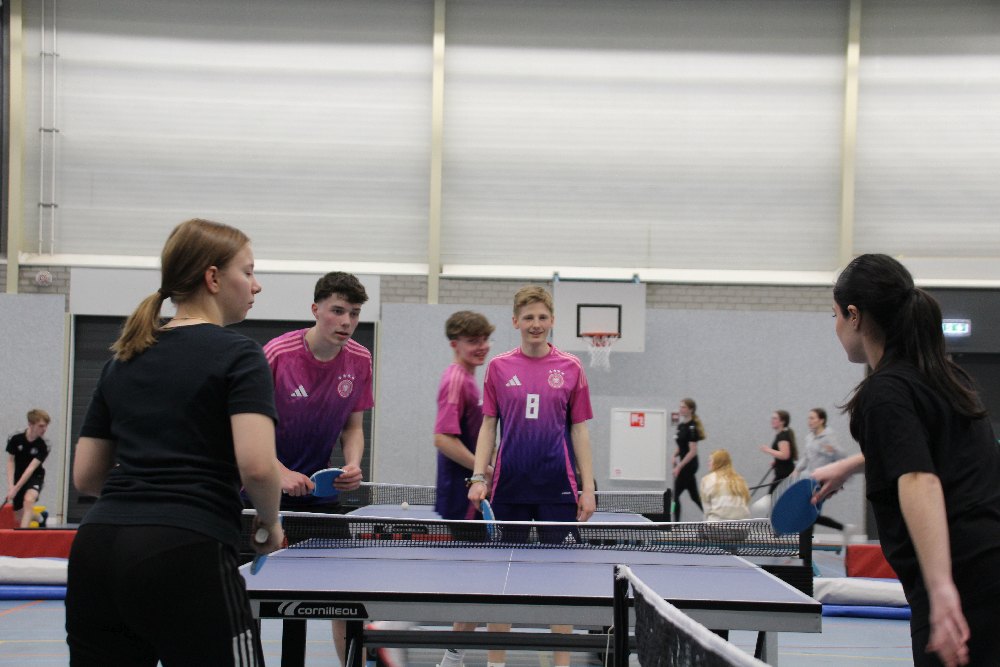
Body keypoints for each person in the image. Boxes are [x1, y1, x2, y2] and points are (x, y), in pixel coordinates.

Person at [65, 218, 283, 666]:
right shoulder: (240, 354)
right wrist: (269, 524)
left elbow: (85, 476)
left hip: (97, 549)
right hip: (187, 549)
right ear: (213, 277)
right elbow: (259, 467)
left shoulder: (122, 357)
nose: (256, 285)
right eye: (248, 271)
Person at [812, 253, 1000, 667]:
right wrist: (851, 465)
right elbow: (926, 450)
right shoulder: (946, 377)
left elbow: (919, 477)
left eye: (835, 316)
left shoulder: (885, 392)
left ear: (854, 316)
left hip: (963, 582)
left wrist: (942, 589)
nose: (836, 326)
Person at [468, 285, 596, 667]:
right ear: (515, 322)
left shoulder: (571, 367)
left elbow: (580, 431)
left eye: (542, 317)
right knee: (502, 584)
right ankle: (496, 663)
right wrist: (478, 476)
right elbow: (488, 425)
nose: (535, 324)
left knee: (561, 584)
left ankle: (562, 663)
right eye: (528, 318)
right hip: (509, 488)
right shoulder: (498, 367)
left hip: (558, 489)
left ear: (552, 320)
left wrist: (588, 488)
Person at [262, 270, 374, 663]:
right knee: (244, 597)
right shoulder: (277, 354)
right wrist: (278, 472)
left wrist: (353, 464)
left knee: (345, 596)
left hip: (317, 496)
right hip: (257, 494)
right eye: (337, 311)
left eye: (354, 314)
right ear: (315, 309)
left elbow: (353, 427)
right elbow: (243, 428)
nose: (346, 322)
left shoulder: (360, 359)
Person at [433, 310, 495, 667]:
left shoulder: (470, 379)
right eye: (473, 341)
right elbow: (442, 438)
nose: (482, 346)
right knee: (476, 580)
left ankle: (453, 656)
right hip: (463, 497)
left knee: (476, 578)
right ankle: (451, 657)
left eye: (485, 339)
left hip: (470, 493)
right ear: (455, 344)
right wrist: (481, 470)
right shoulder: (456, 379)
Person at [794, 408, 845, 532]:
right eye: (809, 418)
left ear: (821, 420)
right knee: (809, 512)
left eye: (812, 418)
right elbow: (806, 457)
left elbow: (841, 456)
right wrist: (796, 470)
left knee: (809, 512)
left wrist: (832, 450)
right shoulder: (809, 437)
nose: (809, 421)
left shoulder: (829, 436)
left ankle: (842, 528)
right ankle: (843, 528)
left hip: (824, 481)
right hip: (811, 479)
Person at [5, 409, 52, 528]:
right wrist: (11, 487)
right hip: (18, 475)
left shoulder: (44, 444)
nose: (44, 429)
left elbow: (31, 469)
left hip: (35, 476)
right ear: (30, 424)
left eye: (46, 426)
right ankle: (40, 517)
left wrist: (16, 489)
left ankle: (22, 536)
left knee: (29, 500)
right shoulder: (15, 437)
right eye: (41, 426)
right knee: (18, 516)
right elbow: (10, 461)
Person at [671, 397, 705, 522]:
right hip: (684, 465)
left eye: (684, 407)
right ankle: (712, 517)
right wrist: (674, 455)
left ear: (691, 410)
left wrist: (679, 467)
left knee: (675, 496)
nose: (681, 409)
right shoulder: (681, 426)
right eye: (680, 407)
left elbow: (692, 451)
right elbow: (681, 446)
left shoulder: (692, 427)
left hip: (689, 465)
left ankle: (675, 525)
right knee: (694, 496)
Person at [699, 449, 750, 522]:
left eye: (710, 461)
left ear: (717, 462)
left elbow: (706, 509)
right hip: (743, 525)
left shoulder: (706, 480)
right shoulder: (740, 480)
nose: (708, 463)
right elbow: (746, 502)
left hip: (717, 525)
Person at [759, 410, 797, 493]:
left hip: (784, 474)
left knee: (772, 496)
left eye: (775, 418)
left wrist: (768, 450)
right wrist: (777, 461)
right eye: (772, 418)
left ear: (782, 422)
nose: (772, 420)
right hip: (783, 472)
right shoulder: (783, 434)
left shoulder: (782, 436)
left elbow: (785, 455)